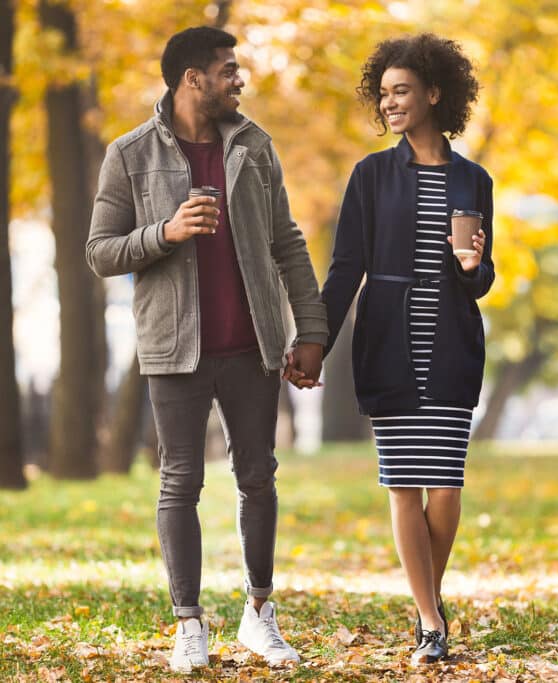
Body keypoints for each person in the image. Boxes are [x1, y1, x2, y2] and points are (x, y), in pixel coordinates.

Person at [86, 26, 326, 673]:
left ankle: (260, 612)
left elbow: (288, 242)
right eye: (228, 70)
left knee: (258, 478)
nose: (237, 79)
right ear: (192, 78)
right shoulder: (130, 154)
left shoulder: (254, 145)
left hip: (252, 346)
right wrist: (164, 232)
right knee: (179, 482)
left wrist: (312, 331)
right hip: (173, 349)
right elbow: (100, 250)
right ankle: (188, 620)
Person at [321, 33, 493, 665]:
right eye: (384, 93)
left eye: (402, 92)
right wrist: (315, 340)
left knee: (444, 486)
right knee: (403, 487)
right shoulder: (370, 176)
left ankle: (430, 600)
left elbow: (481, 277)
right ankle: (430, 619)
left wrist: (473, 266)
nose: (390, 103)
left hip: (450, 342)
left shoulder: (475, 180)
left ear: (434, 94)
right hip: (389, 342)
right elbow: (345, 270)